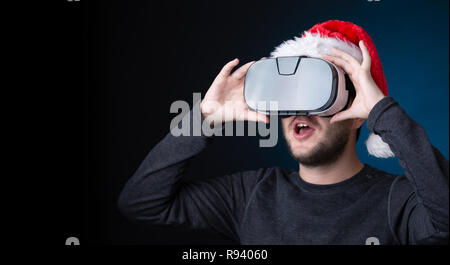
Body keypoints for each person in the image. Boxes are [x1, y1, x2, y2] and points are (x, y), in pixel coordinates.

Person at [118, 20, 449, 244]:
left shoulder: (398, 201)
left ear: (359, 111)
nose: (298, 111)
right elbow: (140, 203)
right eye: (287, 95)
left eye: (317, 94)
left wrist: (383, 111)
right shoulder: (250, 195)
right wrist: (204, 118)